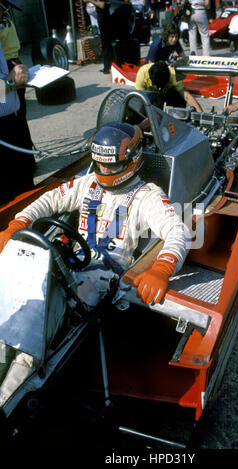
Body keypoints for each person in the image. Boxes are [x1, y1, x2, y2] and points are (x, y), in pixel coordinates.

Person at [0, 121, 190, 406]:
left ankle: (8, 401)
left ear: (133, 160)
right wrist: (19, 223)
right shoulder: (88, 183)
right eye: (100, 165)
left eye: (111, 167)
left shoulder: (147, 196)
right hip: (67, 264)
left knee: (31, 339)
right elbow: (50, 199)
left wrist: (162, 268)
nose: (105, 172)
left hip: (101, 281)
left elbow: (179, 231)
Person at [0, 39, 35, 205]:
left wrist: (18, 82)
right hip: (3, 134)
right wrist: (10, 81)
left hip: (13, 123)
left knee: (27, 193)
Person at [0, 0, 34, 152]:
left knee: (18, 111)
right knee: (16, 113)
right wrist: (10, 80)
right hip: (9, 65)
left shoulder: (5, 21)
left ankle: (26, 151)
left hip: (11, 63)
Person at [135, 60, 203, 111]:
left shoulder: (173, 74)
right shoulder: (142, 74)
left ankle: (177, 116)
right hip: (149, 96)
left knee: (179, 97)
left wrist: (201, 114)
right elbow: (139, 99)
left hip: (165, 93)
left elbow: (187, 96)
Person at [83, 0, 112, 74]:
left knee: (106, 43)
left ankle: (108, 67)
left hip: (103, 16)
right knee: (105, 42)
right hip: (102, 15)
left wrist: (89, 0)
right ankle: (107, 66)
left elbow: (102, 5)